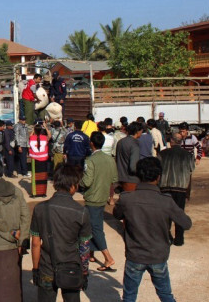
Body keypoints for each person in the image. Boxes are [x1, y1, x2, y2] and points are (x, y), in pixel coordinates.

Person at [113, 157, 192, 302]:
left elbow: (116, 215)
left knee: (129, 297)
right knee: (166, 295)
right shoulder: (166, 201)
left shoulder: (126, 199)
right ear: (158, 177)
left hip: (135, 255)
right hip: (158, 255)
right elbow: (186, 223)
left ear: (138, 176)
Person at [31, 163, 91, 302]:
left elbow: (35, 243)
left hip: (46, 268)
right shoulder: (82, 212)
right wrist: (84, 272)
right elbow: (84, 247)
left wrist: (35, 269)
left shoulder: (40, 209)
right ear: (73, 186)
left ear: (55, 184)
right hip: (71, 269)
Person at [0, 157, 30, 302]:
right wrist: (21, 239)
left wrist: (10, 235)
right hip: (15, 246)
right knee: (13, 287)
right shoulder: (16, 190)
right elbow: (25, 215)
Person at [80, 132, 117, 272]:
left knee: (95, 228)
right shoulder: (109, 159)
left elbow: (87, 181)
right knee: (95, 226)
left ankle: (108, 257)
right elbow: (114, 178)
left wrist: (80, 181)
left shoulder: (90, 160)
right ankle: (91, 254)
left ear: (91, 143)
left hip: (92, 198)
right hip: (103, 197)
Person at [158, 133, 195, 246]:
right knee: (179, 213)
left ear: (171, 142)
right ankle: (179, 239)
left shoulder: (162, 154)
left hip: (165, 188)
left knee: (165, 214)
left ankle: (167, 236)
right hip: (181, 188)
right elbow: (191, 170)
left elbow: (157, 170)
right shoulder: (188, 155)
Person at [115, 122, 142, 193]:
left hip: (120, 177)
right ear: (137, 131)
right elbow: (133, 167)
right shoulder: (135, 145)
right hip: (131, 180)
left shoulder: (120, 142)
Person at [29, 122, 51, 198]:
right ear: (41, 130)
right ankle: (43, 193)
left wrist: (34, 128)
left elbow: (30, 135)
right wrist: (46, 127)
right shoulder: (45, 138)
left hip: (34, 160)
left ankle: (34, 193)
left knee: (35, 177)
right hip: (43, 159)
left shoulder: (32, 138)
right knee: (43, 176)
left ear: (35, 130)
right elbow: (49, 135)